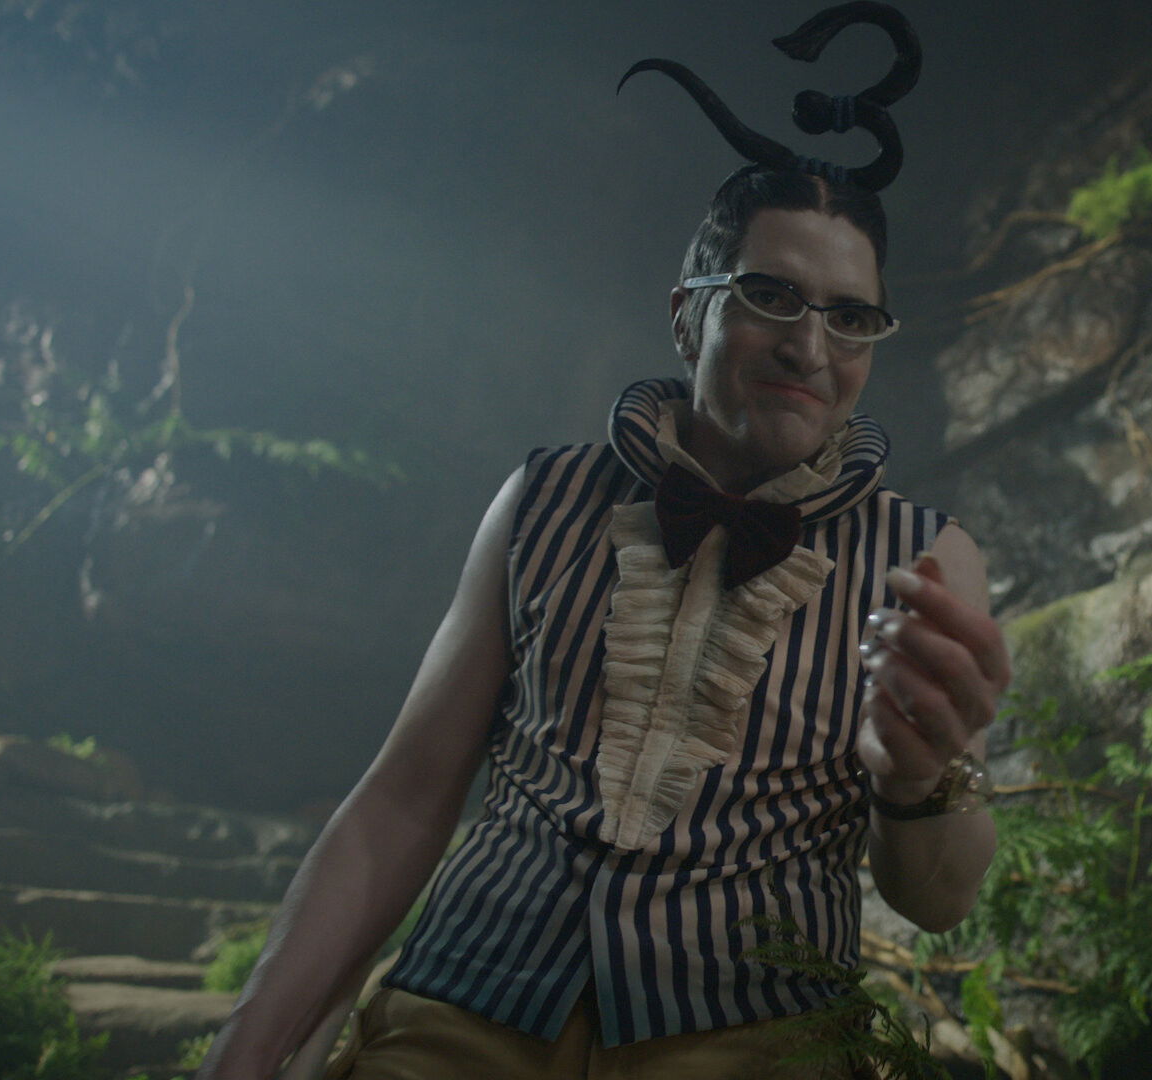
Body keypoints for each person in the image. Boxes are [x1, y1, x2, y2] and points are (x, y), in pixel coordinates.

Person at [196, 6, 1007, 1078]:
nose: (810, 347)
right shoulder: (542, 499)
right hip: (458, 1019)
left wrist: (917, 780)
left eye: (850, 317)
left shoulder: (926, 558)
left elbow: (940, 899)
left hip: (749, 1042)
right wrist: (245, 1051)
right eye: (769, 297)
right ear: (687, 315)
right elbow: (402, 802)